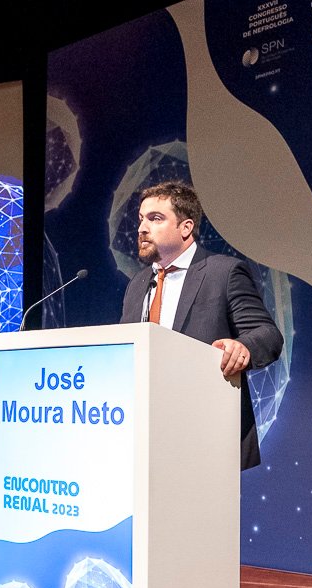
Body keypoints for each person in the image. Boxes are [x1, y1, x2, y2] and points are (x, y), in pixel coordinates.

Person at [120, 181, 283, 470]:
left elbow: (268, 335)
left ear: (186, 227)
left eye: (155, 219)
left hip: (206, 430)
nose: (142, 228)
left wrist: (243, 347)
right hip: (146, 430)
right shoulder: (137, 284)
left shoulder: (223, 272)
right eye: (141, 219)